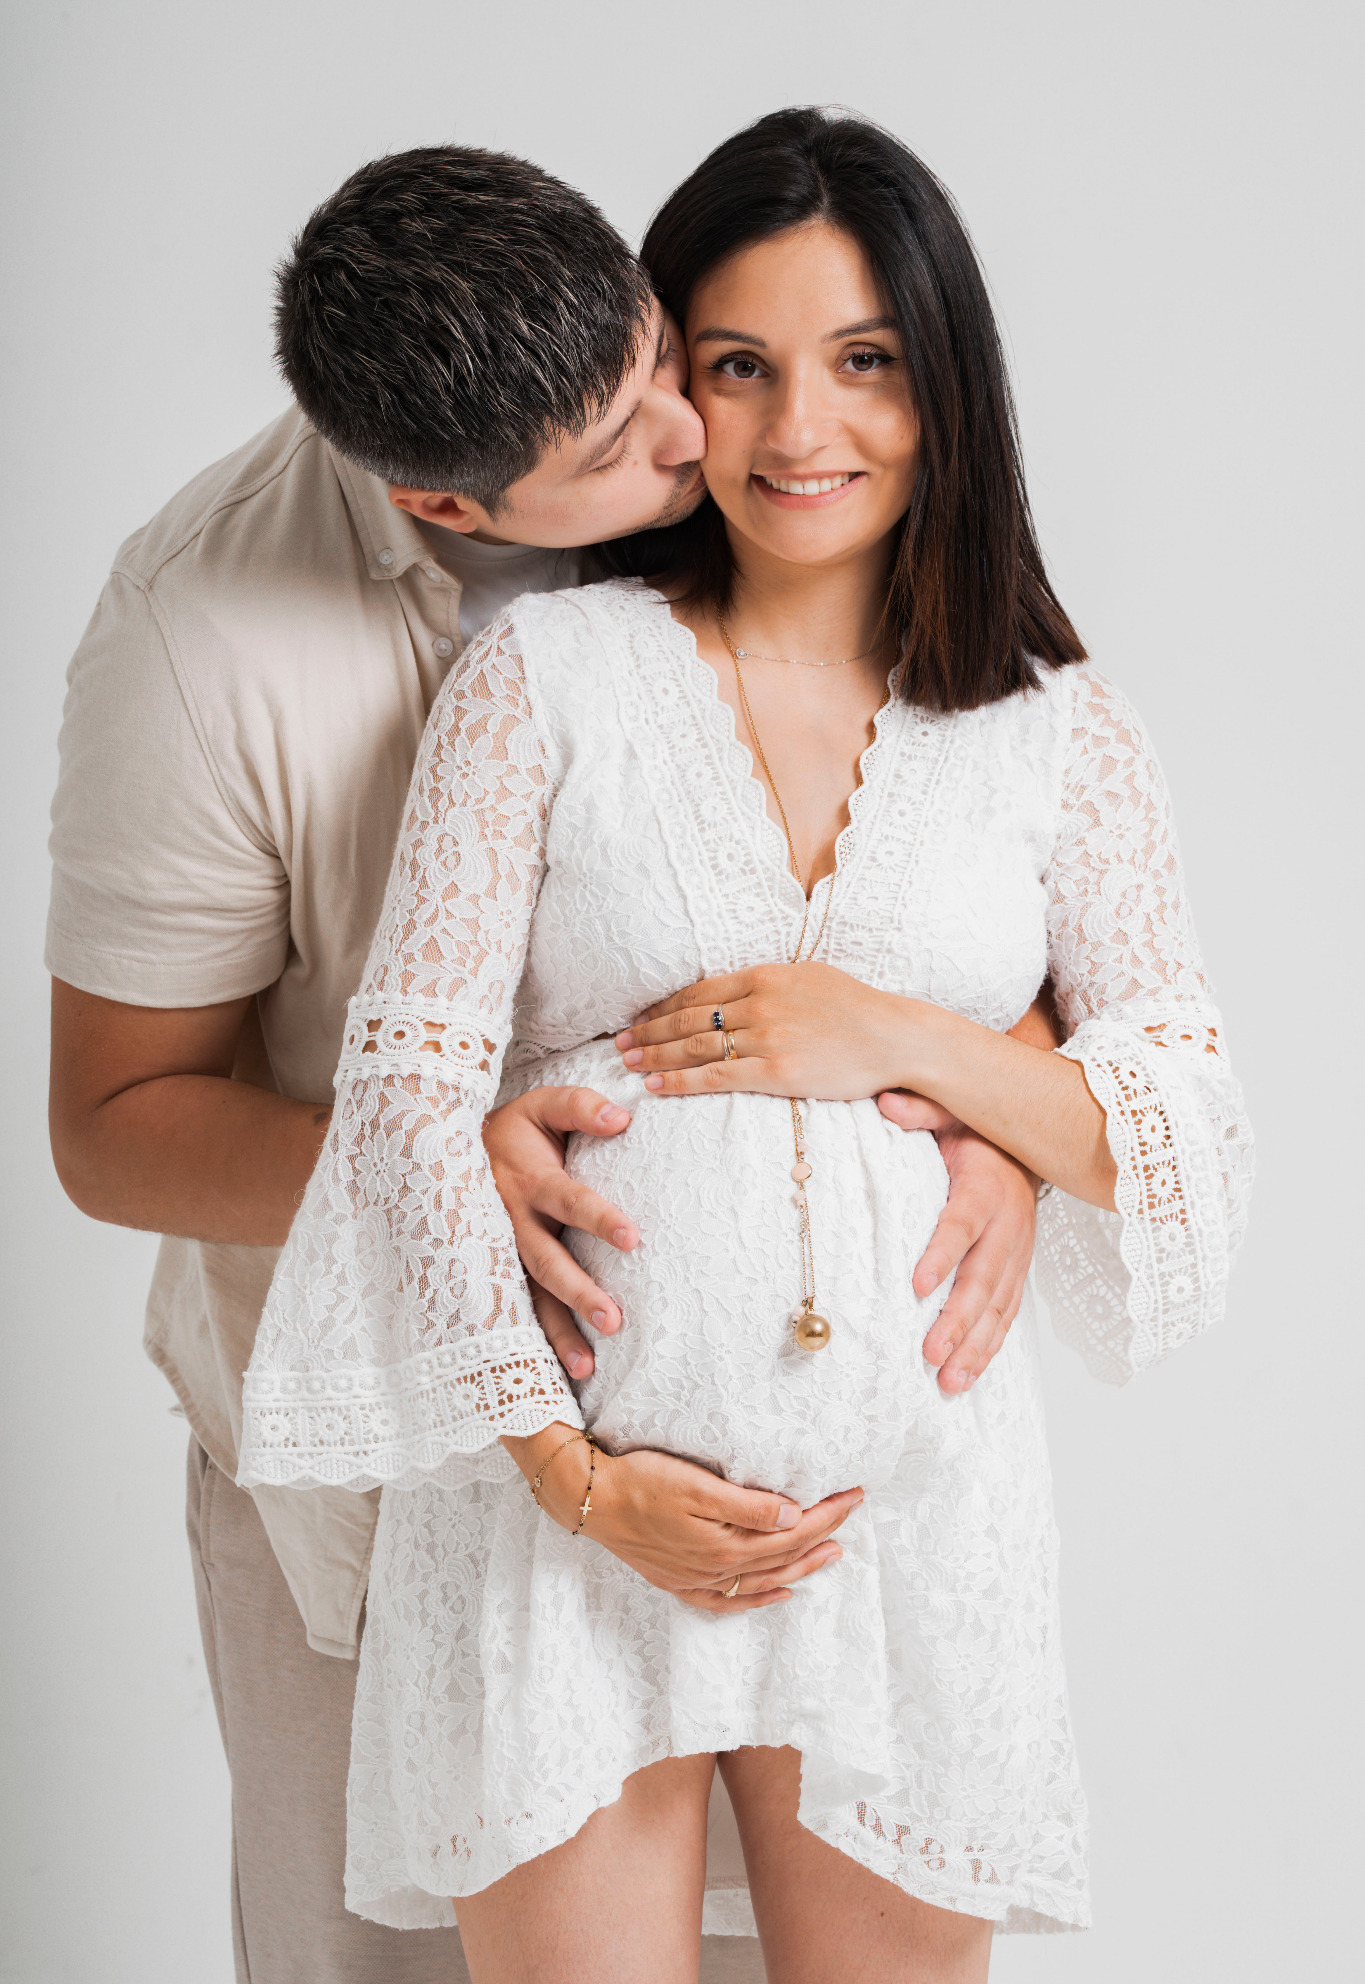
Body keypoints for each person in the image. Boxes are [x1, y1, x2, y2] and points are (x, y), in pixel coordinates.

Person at [238, 107, 1253, 1984]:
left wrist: (911, 1045)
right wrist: (572, 1478)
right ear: (677, 384)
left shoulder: (1057, 731)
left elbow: (1174, 1127)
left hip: (907, 1531)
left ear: (944, 380)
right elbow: (402, 1100)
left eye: (865, 362)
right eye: (740, 367)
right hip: (565, 1530)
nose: (801, 433)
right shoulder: (542, 679)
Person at [46, 143, 1043, 1983]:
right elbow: (109, 1128)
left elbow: (960, 850)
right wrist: (424, 1167)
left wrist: (998, 1102)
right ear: (446, 493)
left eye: (674, 359)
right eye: (620, 447)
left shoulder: (750, 480)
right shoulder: (201, 643)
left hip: (798, 1494)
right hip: (389, 1506)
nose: (692, 437)